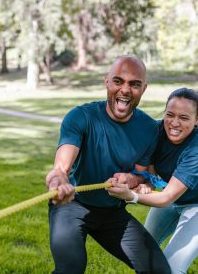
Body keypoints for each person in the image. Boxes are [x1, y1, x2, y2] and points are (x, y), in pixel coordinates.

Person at [46, 55, 171, 274]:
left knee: (158, 270)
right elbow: (60, 168)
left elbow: (141, 175)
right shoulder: (81, 117)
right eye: (118, 81)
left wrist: (130, 179)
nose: (125, 89)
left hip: (112, 212)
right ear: (107, 82)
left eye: (134, 84)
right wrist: (58, 182)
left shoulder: (150, 129)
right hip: (71, 205)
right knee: (70, 268)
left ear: (144, 89)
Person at [107, 88, 198, 273]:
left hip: (195, 206)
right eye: (170, 115)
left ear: (197, 120)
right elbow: (150, 168)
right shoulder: (156, 131)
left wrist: (131, 195)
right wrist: (148, 182)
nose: (174, 123)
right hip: (172, 199)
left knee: (173, 267)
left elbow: (166, 198)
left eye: (184, 118)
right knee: (142, 252)